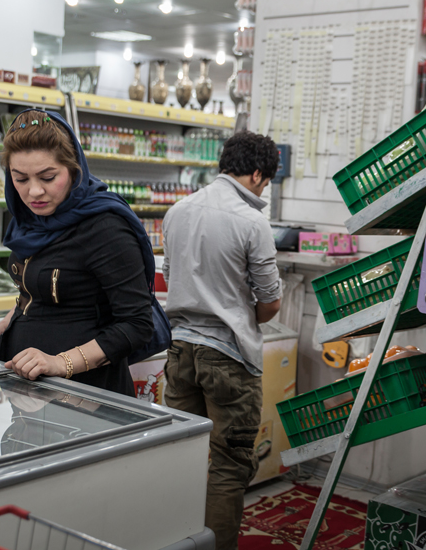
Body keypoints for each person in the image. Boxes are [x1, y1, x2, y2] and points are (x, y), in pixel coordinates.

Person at [162, 130, 282, 549]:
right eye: (264, 183)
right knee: (229, 467)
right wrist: (235, 312)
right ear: (255, 174)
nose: (262, 189)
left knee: (181, 459)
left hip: (178, 354)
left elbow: (170, 276)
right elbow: (270, 304)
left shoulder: (177, 211)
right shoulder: (252, 221)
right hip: (229, 357)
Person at [0, 109, 154, 397]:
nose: (34, 191)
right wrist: (15, 315)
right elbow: (48, 286)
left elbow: (137, 324)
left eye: (48, 177)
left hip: (88, 397)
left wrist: (58, 363)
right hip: (30, 393)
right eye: (21, 179)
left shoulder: (104, 227)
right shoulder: (29, 220)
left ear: (74, 169)